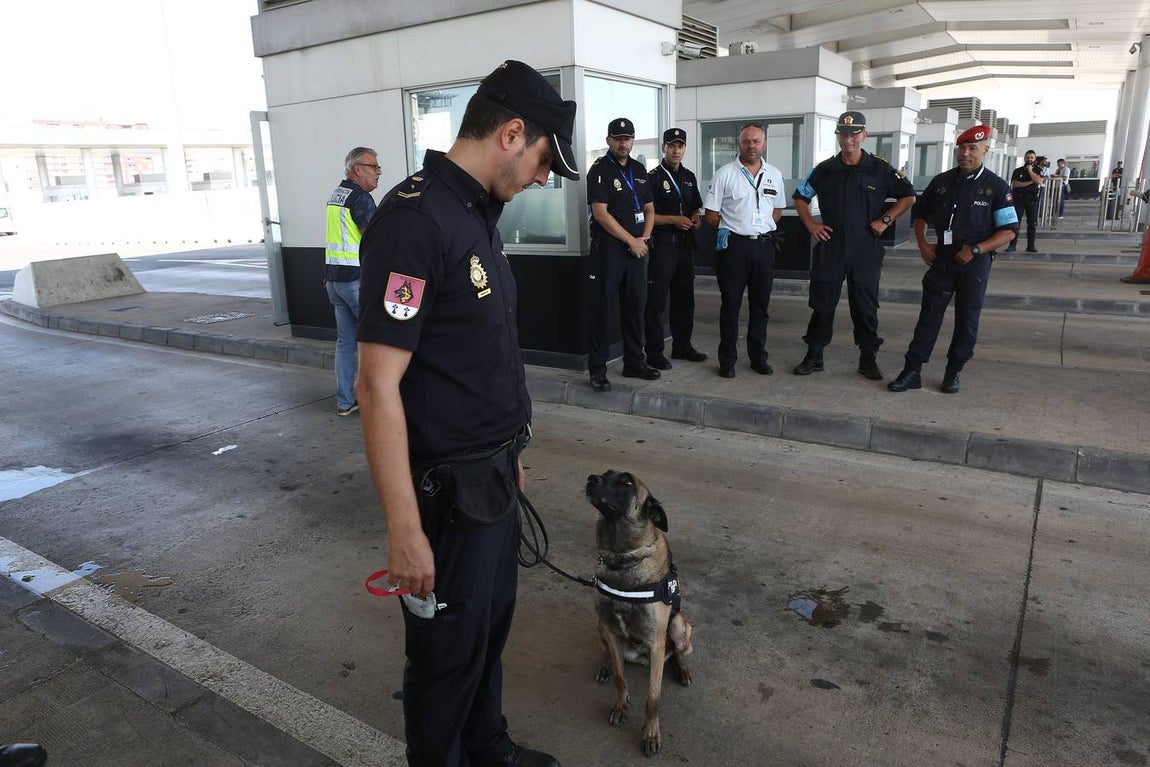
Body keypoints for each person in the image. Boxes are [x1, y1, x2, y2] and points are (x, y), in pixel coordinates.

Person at [354, 59, 577, 767]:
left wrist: (510, 459)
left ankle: (488, 749)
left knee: (487, 633)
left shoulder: (477, 211)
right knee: (446, 659)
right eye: (546, 160)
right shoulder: (416, 221)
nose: (545, 176)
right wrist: (404, 531)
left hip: (493, 479)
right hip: (445, 496)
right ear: (513, 132)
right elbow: (376, 384)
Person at [888, 125, 1019, 395]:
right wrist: (923, 243)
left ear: (985, 150)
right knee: (928, 317)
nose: (966, 154)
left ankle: (954, 371)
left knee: (966, 319)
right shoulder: (942, 182)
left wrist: (976, 250)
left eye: (973, 148)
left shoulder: (996, 187)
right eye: (962, 148)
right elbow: (920, 214)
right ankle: (912, 371)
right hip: (943, 261)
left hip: (975, 264)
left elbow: (1008, 231)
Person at [791, 111, 916, 381]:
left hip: (865, 247)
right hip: (831, 245)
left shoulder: (879, 168)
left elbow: (908, 196)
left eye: (854, 134)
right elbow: (800, 198)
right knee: (823, 304)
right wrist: (812, 226)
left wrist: (886, 219)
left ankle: (868, 357)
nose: (849, 139)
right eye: (844, 134)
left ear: (864, 135)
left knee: (865, 306)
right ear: (838, 136)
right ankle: (815, 354)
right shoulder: (824, 170)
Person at [703, 123, 786, 378]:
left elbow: (778, 209)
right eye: (747, 141)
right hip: (734, 248)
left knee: (761, 306)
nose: (752, 145)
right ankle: (727, 361)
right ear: (740, 144)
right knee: (731, 306)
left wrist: (758, 228)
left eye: (757, 141)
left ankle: (758, 357)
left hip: (763, 246)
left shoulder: (774, 174)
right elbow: (711, 215)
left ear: (764, 144)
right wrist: (734, 227)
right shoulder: (724, 174)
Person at [586, 118, 658, 392]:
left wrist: (644, 239)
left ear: (633, 141)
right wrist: (631, 240)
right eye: (617, 138)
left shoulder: (639, 169)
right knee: (602, 311)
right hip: (610, 252)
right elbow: (601, 214)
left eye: (627, 138)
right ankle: (598, 370)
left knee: (635, 309)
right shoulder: (600, 170)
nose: (622, 143)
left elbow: (649, 209)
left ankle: (634, 362)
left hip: (637, 250)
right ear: (608, 141)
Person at [644, 127, 708, 369]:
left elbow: (695, 207)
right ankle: (654, 352)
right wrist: (673, 219)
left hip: (685, 245)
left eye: (680, 145)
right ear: (664, 148)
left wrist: (695, 217)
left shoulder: (689, 176)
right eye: (672, 145)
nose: (676, 150)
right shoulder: (652, 178)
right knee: (658, 300)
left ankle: (682, 346)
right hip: (662, 245)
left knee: (684, 299)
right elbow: (646, 216)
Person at [324, 146, 380, 416]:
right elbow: (373, 239)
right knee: (378, 341)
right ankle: (381, 400)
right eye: (373, 166)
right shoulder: (360, 198)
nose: (378, 172)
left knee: (345, 343)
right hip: (357, 279)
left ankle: (345, 401)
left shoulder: (337, 194)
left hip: (334, 280)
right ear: (357, 169)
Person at [1007, 149, 1043, 253]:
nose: (1029, 159)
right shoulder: (1017, 171)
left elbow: (1039, 181)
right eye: (1028, 157)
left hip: (1032, 200)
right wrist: (1030, 182)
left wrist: (1030, 171)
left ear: (1035, 158)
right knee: (1015, 223)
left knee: (1032, 224)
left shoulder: (1038, 170)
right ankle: (1012, 245)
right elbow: (1015, 184)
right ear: (1024, 158)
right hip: (1019, 199)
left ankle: (1030, 246)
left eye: (1032, 158)